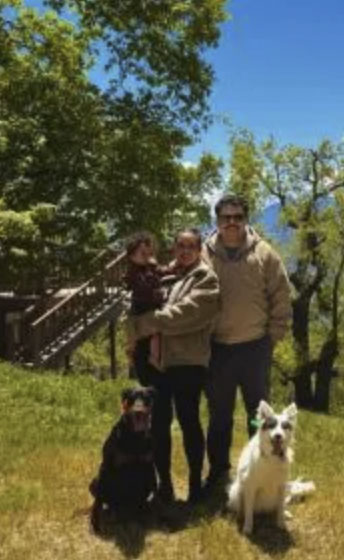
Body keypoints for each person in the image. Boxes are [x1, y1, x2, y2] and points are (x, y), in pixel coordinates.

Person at [202, 194, 292, 491]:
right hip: (218, 349)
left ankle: (262, 470)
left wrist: (272, 339)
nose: (231, 223)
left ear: (245, 219)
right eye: (225, 217)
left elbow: (281, 296)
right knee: (219, 417)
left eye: (237, 217)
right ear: (217, 221)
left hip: (255, 347)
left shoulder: (265, 254)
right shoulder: (204, 253)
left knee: (259, 417)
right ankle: (218, 473)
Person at [126, 228, 220, 504]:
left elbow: (185, 314)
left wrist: (140, 326)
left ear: (200, 249)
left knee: (189, 420)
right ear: (173, 248)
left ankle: (195, 484)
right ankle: (164, 484)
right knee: (159, 424)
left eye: (191, 246)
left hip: (187, 361)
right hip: (157, 364)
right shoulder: (164, 275)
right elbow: (138, 302)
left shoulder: (205, 278)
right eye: (180, 245)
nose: (185, 250)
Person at [123, 232, 172, 386]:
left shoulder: (149, 267)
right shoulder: (134, 272)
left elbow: (163, 271)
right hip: (142, 312)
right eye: (143, 253)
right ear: (132, 256)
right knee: (143, 340)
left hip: (152, 312)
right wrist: (159, 294)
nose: (147, 256)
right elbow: (144, 291)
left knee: (156, 335)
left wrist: (172, 269)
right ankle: (147, 359)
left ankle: (155, 358)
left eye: (150, 253)